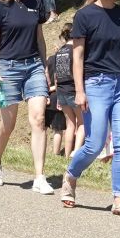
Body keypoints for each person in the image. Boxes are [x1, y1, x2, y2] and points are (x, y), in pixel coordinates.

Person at [61, 0, 120, 217]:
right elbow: (77, 56)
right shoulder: (85, 16)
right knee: (95, 144)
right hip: (95, 85)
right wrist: (79, 90)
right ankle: (71, 175)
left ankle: (119, 200)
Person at [0, 0, 54, 193]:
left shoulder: (36, 2)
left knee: (39, 119)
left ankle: (39, 177)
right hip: (8, 68)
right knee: (8, 124)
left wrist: (44, 67)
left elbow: (40, 39)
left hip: (34, 66)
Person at [46, 21, 82, 159]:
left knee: (70, 123)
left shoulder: (59, 52)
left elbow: (56, 76)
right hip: (74, 90)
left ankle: (66, 155)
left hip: (61, 91)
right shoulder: (76, 50)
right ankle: (76, 153)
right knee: (82, 122)